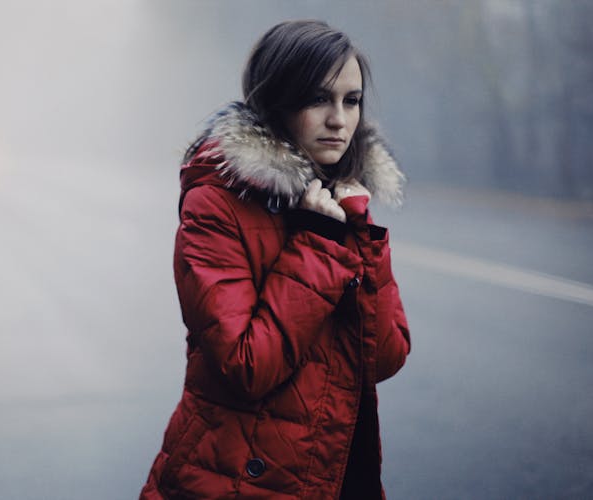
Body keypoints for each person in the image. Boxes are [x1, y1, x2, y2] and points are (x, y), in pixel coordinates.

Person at [140, 20, 410, 500]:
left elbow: (385, 358)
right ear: (276, 100)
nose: (339, 120)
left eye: (352, 101)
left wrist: (362, 237)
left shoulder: (342, 202)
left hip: (336, 474)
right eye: (317, 99)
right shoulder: (216, 204)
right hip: (235, 480)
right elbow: (246, 366)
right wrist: (320, 243)